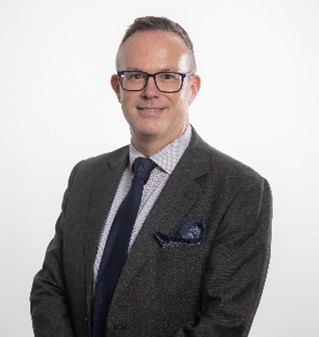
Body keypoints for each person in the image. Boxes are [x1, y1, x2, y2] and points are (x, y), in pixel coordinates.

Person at [30, 16, 272, 337]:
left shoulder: (241, 190)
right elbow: (50, 286)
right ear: (117, 87)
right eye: (136, 76)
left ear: (193, 87)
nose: (150, 91)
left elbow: (224, 323)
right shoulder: (85, 176)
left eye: (168, 76)